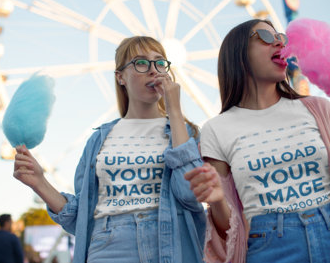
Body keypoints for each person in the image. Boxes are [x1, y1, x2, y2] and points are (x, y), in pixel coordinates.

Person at [185, 19, 330, 263]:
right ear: (237, 53)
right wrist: (217, 199)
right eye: (265, 36)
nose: (280, 42)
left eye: (281, 37)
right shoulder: (215, 130)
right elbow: (226, 231)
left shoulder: (318, 108)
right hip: (269, 247)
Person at [13, 36, 206, 263]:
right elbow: (82, 219)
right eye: (141, 63)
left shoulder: (186, 133)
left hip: (171, 246)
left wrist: (174, 110)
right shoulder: (98, 141)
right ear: (120, 77)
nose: (154, 70)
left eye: (160, 62)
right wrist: (39, 182)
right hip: (108, 248)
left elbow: (191, 193)